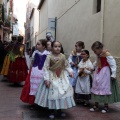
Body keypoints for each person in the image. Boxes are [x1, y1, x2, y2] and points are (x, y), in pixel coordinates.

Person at [35, 41, 75, 119]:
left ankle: (59, 110)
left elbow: (66, 65)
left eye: (59, 46)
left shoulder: (63, 56)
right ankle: (51, 110)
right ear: (52, 48)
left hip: (61, 77)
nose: (57, 48)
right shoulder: (49, 57)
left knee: (61, 93)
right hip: (51, 76)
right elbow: (46, 68)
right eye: (55, 46)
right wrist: (46, 79)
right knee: (52, 93)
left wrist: (70, 71)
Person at [90, 41, 120, 113]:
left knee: (104, 88)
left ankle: (106, 106)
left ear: (100, 48)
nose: (94, 52)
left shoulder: (107, 55)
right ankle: (96, 105)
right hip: (98, 72)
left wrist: (113, 74)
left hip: (105, 73)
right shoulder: (98, 55)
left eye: (95, 50)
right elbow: (96, 62)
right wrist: (92, 67)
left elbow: (113, 64)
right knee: (97, 87)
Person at [20, 39, 50, 105]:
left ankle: (41, 102)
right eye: (37, 44)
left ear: (44, 46)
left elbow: (49, 64)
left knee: (41, 87)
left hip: (43, 73)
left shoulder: (48, 54)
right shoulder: (35, 52)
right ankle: (33, 102)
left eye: (39, 44)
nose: (37, 45)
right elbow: (32, 62)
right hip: (34, 72)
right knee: (34, 87)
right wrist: (30, 70)